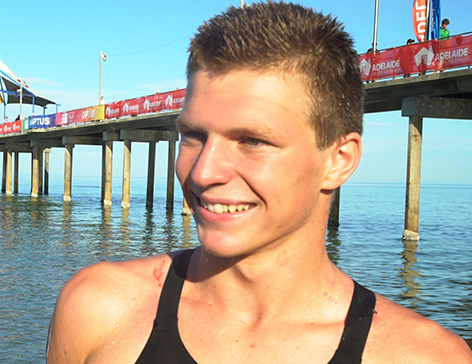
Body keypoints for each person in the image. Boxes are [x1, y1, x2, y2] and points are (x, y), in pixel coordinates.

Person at [48, 3, 472, 363]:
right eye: (193, 136)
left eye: (252, 141)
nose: (202, 172)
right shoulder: (98, 309)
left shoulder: (422, 355)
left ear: (339, 161)